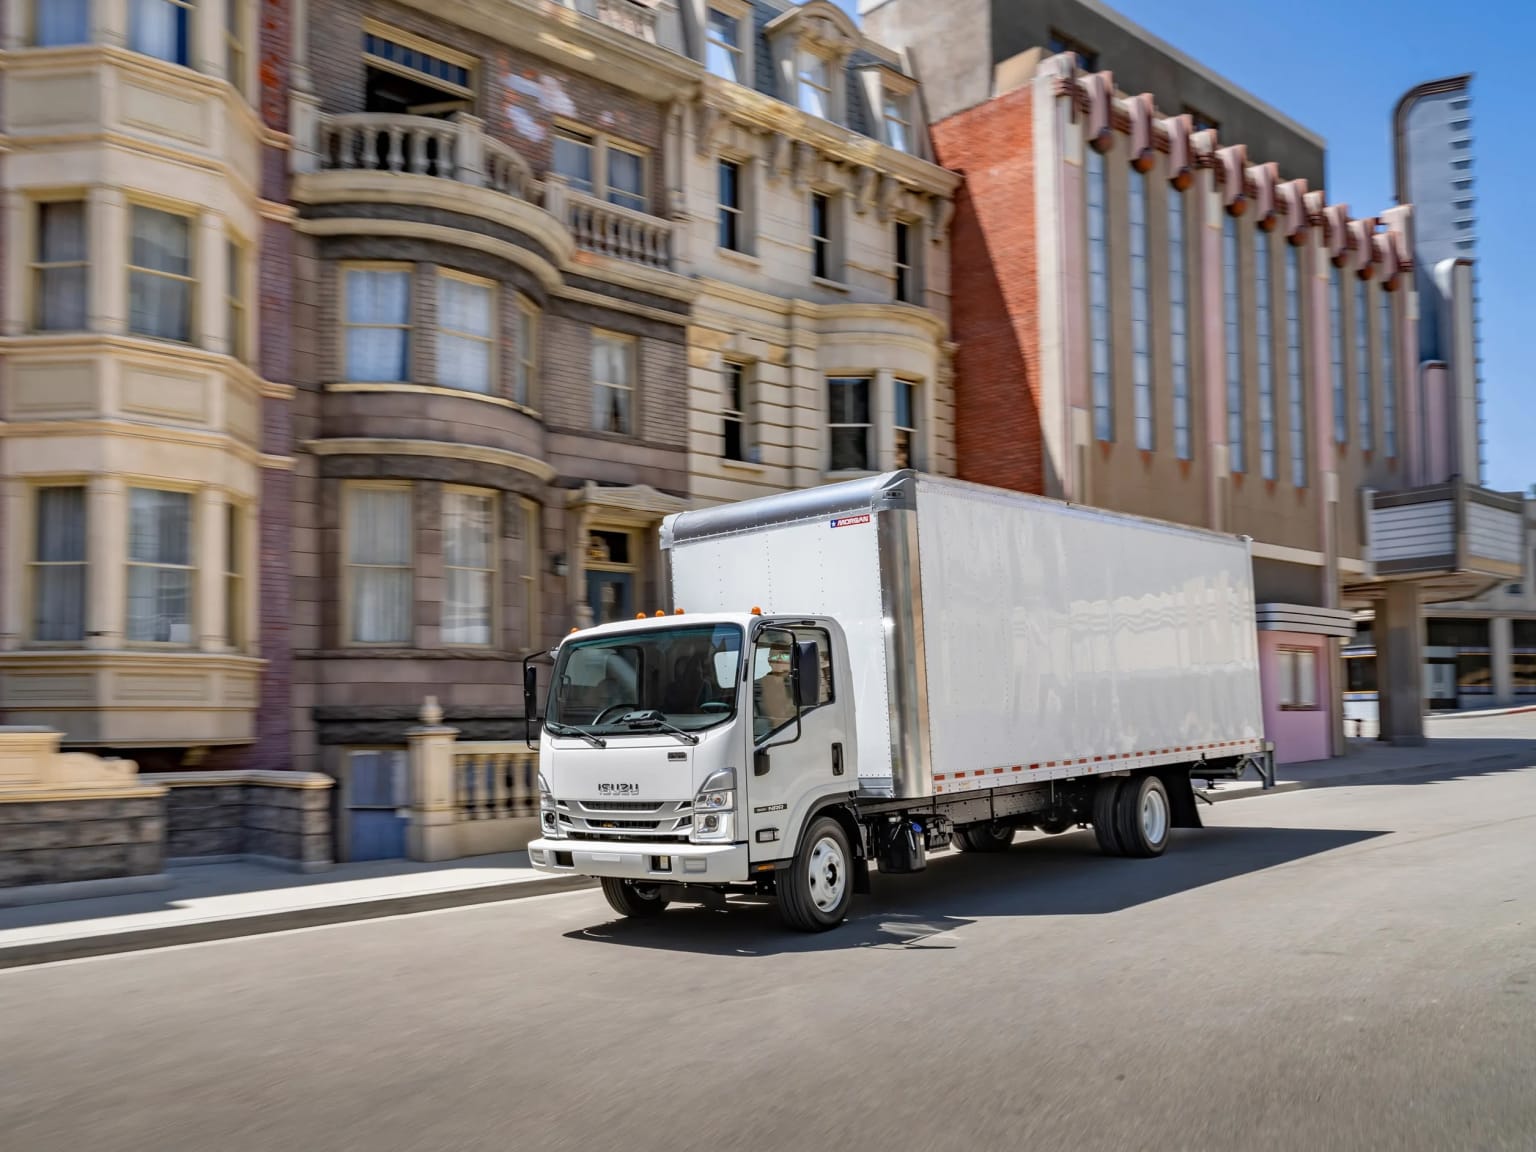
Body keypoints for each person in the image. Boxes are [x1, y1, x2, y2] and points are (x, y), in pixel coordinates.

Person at [754, 641, 797, 741]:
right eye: (774, 656)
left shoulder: (801, 684)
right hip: (765, 738)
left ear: (791, 660)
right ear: (769, 660)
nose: (779, 659)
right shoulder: (756, 686)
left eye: (784, 656)